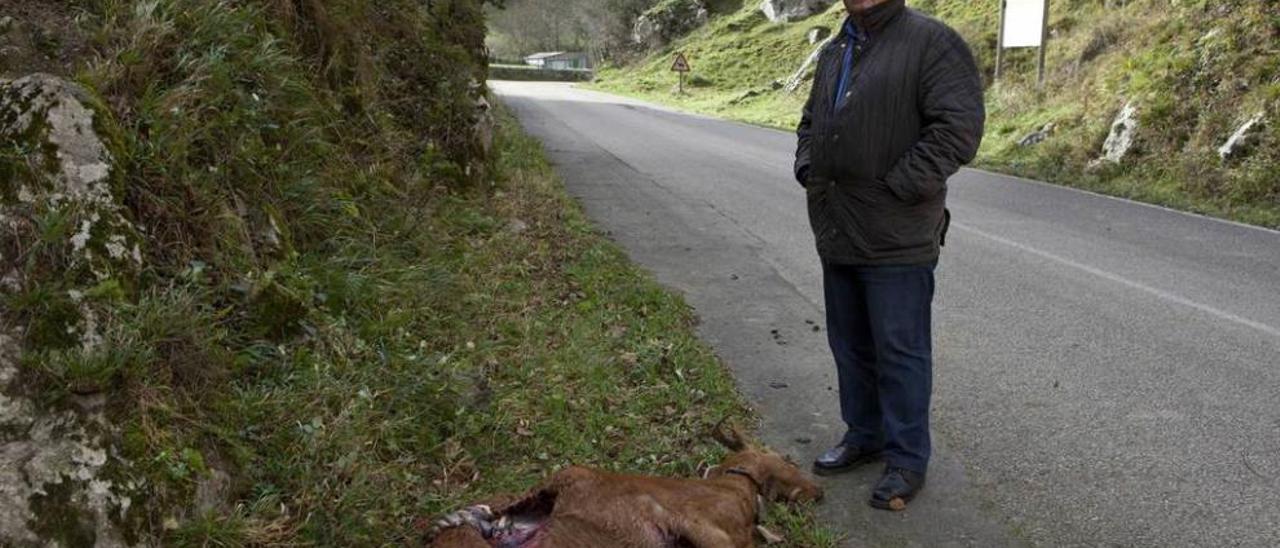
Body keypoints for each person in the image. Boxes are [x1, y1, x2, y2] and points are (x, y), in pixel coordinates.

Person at [793, 0, 985, 511]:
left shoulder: (932, 42)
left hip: (897, 233)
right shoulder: (838, 47)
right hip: (837, 224)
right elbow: (812, 120)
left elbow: (958, 130)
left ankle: (906, 459)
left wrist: (898, 187)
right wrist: (808, 165)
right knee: (850, 343)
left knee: (900, 351)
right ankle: (864, 434)